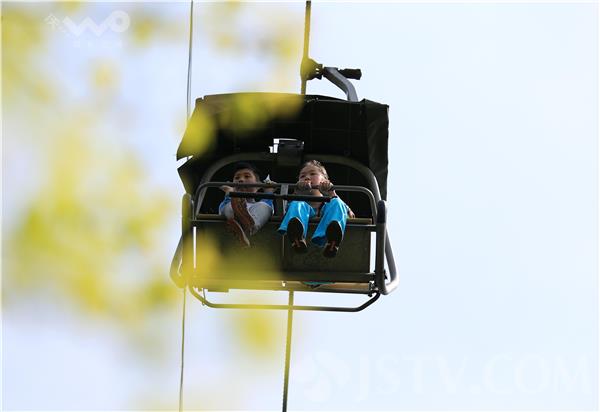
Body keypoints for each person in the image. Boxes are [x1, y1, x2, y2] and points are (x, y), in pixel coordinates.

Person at [278, 160, 354, 258]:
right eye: (302, 176)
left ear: (325, 180)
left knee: (336, 202)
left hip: (326, 215)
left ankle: (332, 238)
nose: (307, 177)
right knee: (297, 203)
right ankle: (297, 237)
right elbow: (285, 210)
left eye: (312, 174)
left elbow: (350, 215)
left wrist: (331, 193)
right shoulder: (295, 202)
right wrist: (298, 192)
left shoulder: (331, 204)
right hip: (300, 210)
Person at [219, 162, 274, 247]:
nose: (241, 180)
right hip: (232, 211)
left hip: (254, 217)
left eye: (247, 176)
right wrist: (230, 193)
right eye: (237, 178)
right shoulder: (228, 201)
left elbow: (267, 201)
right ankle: (242, 219)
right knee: (229, 205)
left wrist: (269, 190)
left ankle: (247, 224)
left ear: (258, 185)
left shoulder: (260, 205)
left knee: (265, 206)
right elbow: (225, 206)